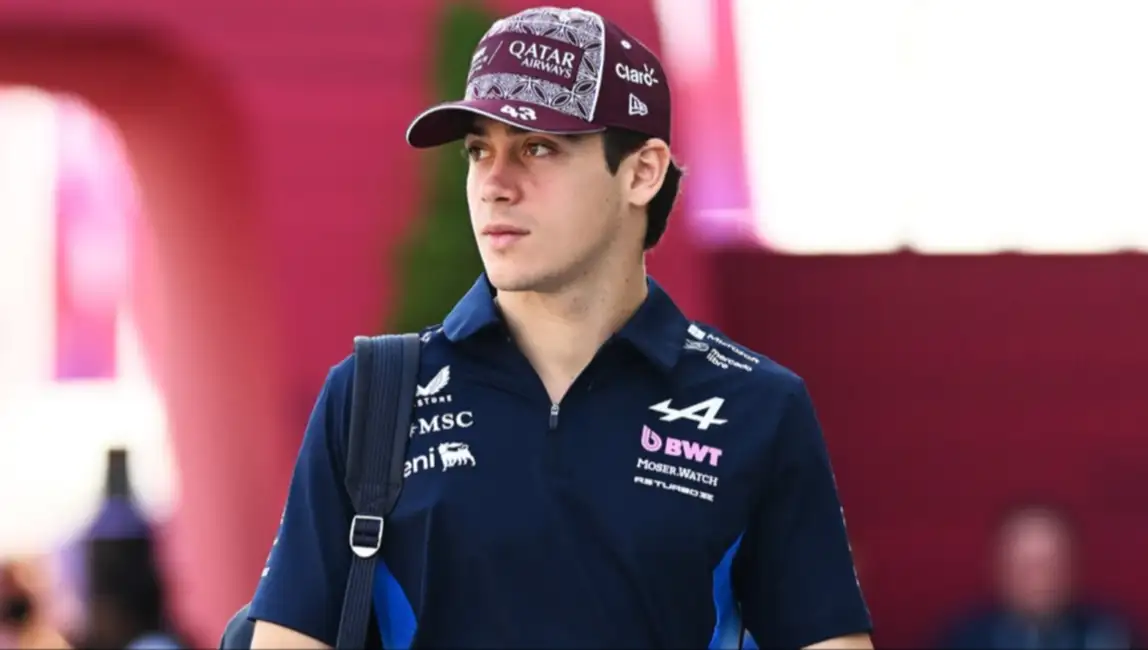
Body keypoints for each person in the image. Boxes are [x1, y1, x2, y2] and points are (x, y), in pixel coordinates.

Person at [249, 6, 873, 649]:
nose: (493, 184)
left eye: (537, 148)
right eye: (478, 151)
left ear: (642, 172)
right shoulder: (373, 394)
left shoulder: (757, 405)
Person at [937, 503, 1134, 649]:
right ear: (999, 570)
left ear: (1072, 568)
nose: (1038, 582)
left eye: (1048, 565)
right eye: (1026, 568)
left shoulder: (1113, 635)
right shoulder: (960, 639)